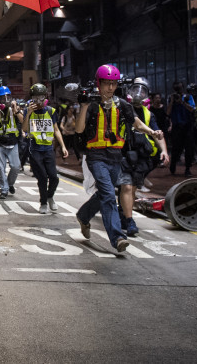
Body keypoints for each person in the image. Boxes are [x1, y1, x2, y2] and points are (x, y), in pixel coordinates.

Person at [74, 64, 164, 253]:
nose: (109, 88)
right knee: (108, 194)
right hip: (96, 156)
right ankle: (117, 238)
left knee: (104, 194)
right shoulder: (90, 104)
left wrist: (152, 132)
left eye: (113, 84)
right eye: (106, 83)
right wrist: (83, 107)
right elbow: (80, 129)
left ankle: (83, 215)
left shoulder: (122, 105)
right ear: (99, 84)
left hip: (115, 156)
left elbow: (136, 123)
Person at [116, 77, 169, 236]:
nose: (138, 93)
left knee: (132, 189)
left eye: (143, 90)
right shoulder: (121, 108)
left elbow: (157, 134)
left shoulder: (148, 114)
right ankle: (129, 220)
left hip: (140, 157)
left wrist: (164, 151)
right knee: (126, 186)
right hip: (122, 154)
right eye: (135, 89)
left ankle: (124, 214)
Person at [22, 83, 68, 214]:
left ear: (45, 97)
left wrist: (63, 146)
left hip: (48, 149)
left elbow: (56, 130)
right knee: (42, 177)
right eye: (36, 97)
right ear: (32, 98)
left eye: (41, 97)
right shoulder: (28, 111)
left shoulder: (50, 111)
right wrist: (29, 113)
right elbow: (24, 129)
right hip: (35, 150)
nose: (39, 100)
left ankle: (49, 196)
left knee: (54, 177)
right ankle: (43, 202)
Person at [0, 86, 24, 200]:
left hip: (13, 142)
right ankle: (4, 190)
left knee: (16, 167)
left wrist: (16, 110)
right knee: (0, 168)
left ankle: (10, 183)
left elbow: (23, 121)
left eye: (8, 97)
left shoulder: (15, 108)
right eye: (3, 98)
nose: (6, 100)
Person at [165, 81, 196, 177]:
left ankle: (187, 168)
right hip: (177, 126)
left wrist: (182, 102)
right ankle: (173, 164)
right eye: (176, 88)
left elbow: (192, 109)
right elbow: (168, 112)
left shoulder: (188, 97)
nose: (178, 91)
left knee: (189, 148)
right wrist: (172, 101)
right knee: (176, 148)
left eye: (179, 88)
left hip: (187, 126)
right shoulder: (171, 98)